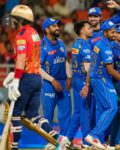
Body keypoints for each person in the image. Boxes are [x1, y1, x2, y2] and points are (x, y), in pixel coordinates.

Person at [3, 5, 70, 150]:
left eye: (14, 19)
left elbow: (21, 59)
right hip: (36, 79)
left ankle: (14, 147)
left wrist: (16, 79)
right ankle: (58, 137)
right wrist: (14, 73)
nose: (12, 21)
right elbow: (31, 58)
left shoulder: (21, 35)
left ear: (19, 20)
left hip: (26, 78)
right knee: (33, 116)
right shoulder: (34, 33)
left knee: (15, 115)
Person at [84, 20, 120, 149]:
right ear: (104, 32)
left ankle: (101, 142)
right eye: (112, 32)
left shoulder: (101, 44)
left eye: (116, 31)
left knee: (106, 110)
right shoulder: (106, 46)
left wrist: (87, 83)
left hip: (97, 78)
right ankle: (95, 136)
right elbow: (110, 70)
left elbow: (92, 66)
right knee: (112, 108)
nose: (114, 34)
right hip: (102, 78)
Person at [40, 17, 72, 136]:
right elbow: (38, 67)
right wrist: (52, 80)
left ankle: (64, 141)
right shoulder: (41, 45)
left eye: (57, 25)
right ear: (47, 29)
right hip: (49, 84)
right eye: (54, 26)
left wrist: (69, 76)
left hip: (64, 82)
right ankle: (49, 142)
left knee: (66, 113)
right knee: (48, 115)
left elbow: (66, 61)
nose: (57, 28)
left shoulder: (61, 43)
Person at [66, 20, 94, 149]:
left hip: (76, 79)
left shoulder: (75, 44)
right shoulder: (86, 46)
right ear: (82, 30)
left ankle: (67, 139)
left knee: (77, 111)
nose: (91, 29)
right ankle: (86, 142)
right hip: (83, 80)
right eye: (89, 28)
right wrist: (87, 84)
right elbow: (88, 69)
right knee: (85, 112)